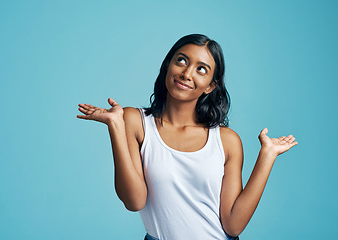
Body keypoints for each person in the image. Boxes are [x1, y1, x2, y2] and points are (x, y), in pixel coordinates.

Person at [77, 34, 298, 240]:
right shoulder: (136, 121)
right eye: (181, 61)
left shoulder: (227, 140)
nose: (187, 73)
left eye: (201, 69)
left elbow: (233, 225)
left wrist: (267, 156)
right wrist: (115, 125)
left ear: (211, 86)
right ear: (168, 66)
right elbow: (134, 201)